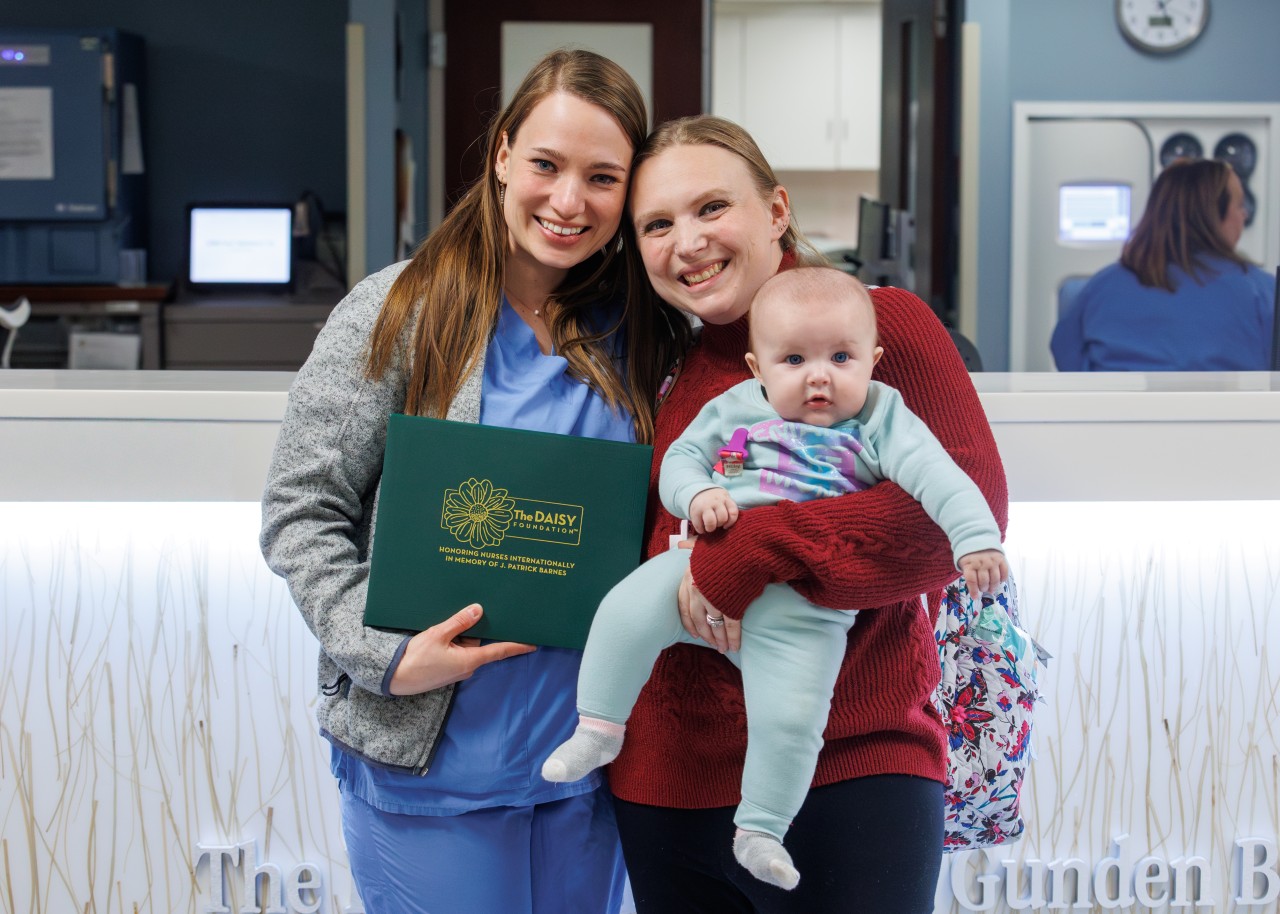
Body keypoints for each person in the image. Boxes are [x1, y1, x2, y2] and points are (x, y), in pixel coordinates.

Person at [259, 50, 689, 914]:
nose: (569, 202)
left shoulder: (645, 333)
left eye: (602, 177)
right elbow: (300, 512)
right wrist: (385, 657)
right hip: (433, 772)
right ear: (501, 155)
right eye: (546, 165)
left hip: (592, 774)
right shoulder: (399, 310)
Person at [603, 115, 1009, 913]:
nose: (687, 242)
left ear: (776, 210)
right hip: (666, 782)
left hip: (850, 768)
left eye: (711, 208)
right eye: (657, 223)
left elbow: (964, 511)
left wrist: (754, 552)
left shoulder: (877, 324)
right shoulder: (667, 357)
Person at [542, 266, 1008, 891]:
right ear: (757, 368)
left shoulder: (879, 419)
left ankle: (761, 828)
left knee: (791, 719)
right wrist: (698, 492)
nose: (819, 375)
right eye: (794, 359)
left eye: (841, 357)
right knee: (624, 612)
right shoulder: (734, 409)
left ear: (872, 361)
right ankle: (598, 725)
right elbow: (679, 459)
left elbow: (940, 477)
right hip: (692, 571)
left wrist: (975, 538)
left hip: (804, 608)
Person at [1051, 157, 1276, 371]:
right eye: (1239, 205)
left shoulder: (1100, 289)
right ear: (1212, 216)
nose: (1244, 215)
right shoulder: (1263, 293)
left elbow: (1067, 356)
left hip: (1122, 411)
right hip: (1230, 412)